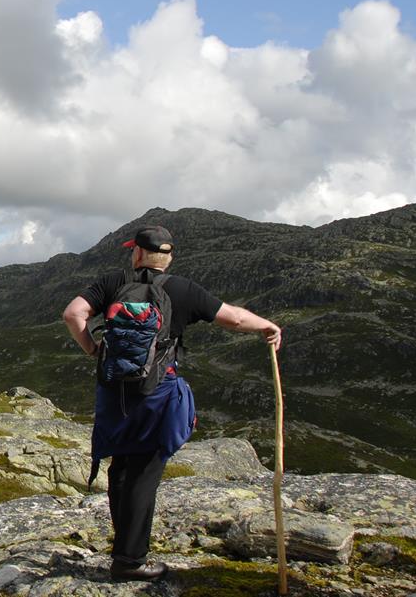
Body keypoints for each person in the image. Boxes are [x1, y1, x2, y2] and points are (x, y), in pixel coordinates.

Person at [61, 225, 282, 582]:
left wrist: (92, 349)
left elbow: (73, 314)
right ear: (169, 257)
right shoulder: (181, 289)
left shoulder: (114, 282)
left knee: (121, 468)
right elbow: (235, 318)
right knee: (144, 471)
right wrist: (267, 326)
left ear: (137, 253)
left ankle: (124, 548)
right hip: (156, 391)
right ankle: (130, 561)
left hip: (114, 391)